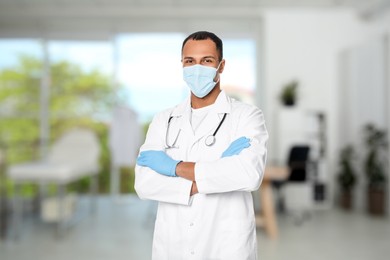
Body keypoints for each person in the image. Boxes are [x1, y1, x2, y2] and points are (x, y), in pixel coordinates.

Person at [135, 31, 268, 260]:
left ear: (221, 65)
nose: (197, 68)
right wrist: (217, 170)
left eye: (206, 60)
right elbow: (144, 183)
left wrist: (174, 167)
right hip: (172, 246)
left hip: (226, 247)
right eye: (190, 61)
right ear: (182, 65)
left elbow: (248, 175)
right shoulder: (164, 119)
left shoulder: (247, 116)